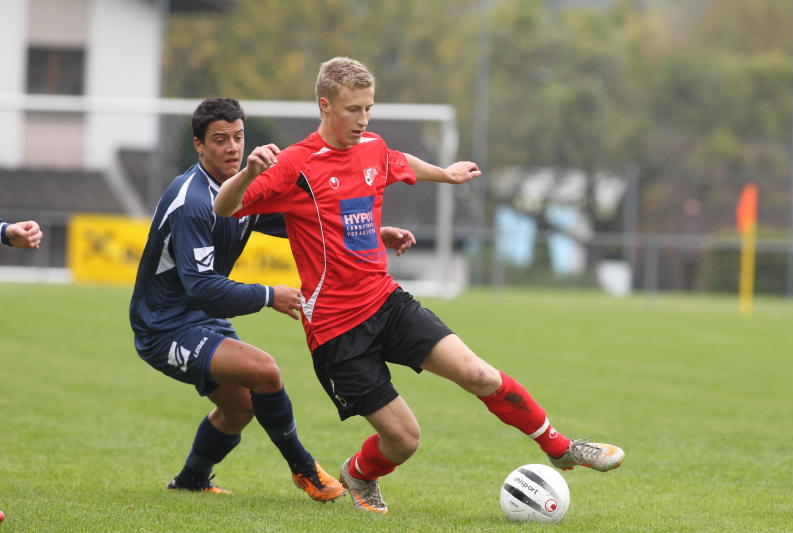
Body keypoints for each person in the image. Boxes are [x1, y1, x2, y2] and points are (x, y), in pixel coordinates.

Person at [214, 58, 624, 514]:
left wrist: (445, 174)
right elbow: (224, 207)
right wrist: (248, 173)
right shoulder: (295, 163)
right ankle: (360, 472)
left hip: (386, 302)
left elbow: (396, 162)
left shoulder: (371, 146)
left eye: (369, 108)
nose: (364, 119)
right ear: (325, 105)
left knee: (479, 374)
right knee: (405, 440)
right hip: (336, 331)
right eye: (353, 109)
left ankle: (560, 447)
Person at [130, 96, 415, 501]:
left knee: (239, 409)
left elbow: (299, 219)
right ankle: (305, 470)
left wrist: (370, 232)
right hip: (164, 326)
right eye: (219, 140)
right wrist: (268, 295)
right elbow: (201, 287)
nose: (232, 148)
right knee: (264, 371)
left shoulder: (238, 190)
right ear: (199, 146)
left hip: (199, 318)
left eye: (238, 137)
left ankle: (191, 479)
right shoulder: (192, 201)